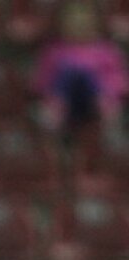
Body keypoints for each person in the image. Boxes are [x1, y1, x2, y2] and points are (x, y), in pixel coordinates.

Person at [35, 0, 128, 171]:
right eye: (73, 20)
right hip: (66, 105)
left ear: (96, 22)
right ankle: (53, 127)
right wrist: (50, 99)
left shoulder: (107, 51)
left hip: (96, 104)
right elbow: (42, 83)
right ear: (62, 23)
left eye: (84, 20)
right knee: (69, 72)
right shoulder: (54, 51)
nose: (79, 25)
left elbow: (119, 83)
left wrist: (107, 96)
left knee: (85, 75)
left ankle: (110, 127)